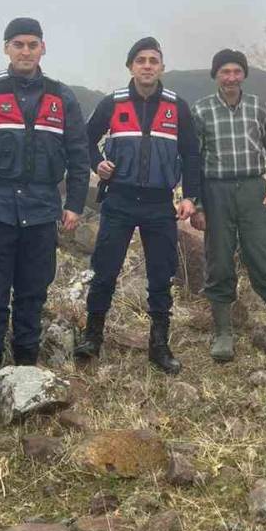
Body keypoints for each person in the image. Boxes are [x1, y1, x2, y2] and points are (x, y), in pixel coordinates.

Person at [0, 19, 89, 409]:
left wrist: (75, 203)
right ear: (6, 48)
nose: (25, 51)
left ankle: (26, 375)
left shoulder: (62, 97)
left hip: (43, 213)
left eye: (32, 44)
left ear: (43, 48)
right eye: (17, 45)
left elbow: (79, 153)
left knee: (32, 294)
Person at [74, 37, 199, 375]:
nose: (147, 65)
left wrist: (189, 197)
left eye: (153, 60)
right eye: (140, 60)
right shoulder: (112, 103)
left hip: (160, 203)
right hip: (120, 199)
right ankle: (92, 337)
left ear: (161, 67)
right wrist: (96, 163)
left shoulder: (177, 107)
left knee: (161, 275)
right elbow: (84, 139)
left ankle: (159, 346)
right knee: (105, 271)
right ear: (130, 66)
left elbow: (191, 154)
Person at [191, 49, 266, 362]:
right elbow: (194, 162)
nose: (231, 78)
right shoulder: (201, 111)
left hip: (254, 191)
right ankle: (224, 333)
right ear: (215, 75)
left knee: (265, 258)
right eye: (224, 72)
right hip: (217, 193)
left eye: (236, 72)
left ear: (244, 75)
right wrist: (198, 205)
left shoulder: (257, 109)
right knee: (220, 261)